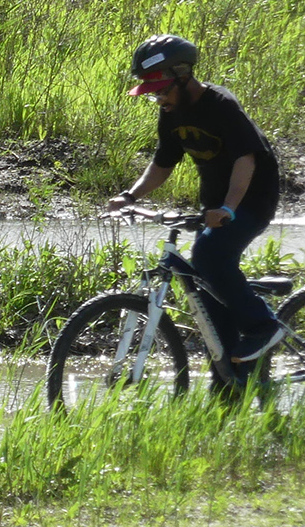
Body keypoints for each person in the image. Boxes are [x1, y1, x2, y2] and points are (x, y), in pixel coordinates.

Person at [106, 34, 286, 382]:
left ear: (183, 75)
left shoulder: (221, 104)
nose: (158, 98)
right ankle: (230, 379)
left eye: (161, 89)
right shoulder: (171, 113)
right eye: (152, 92)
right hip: (216, 205)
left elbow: (245, 160)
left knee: (208, 255)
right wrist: (130, 197)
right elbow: (162, 165)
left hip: (251, 200)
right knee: (207, 292)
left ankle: (263, 326)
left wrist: (229, 209)